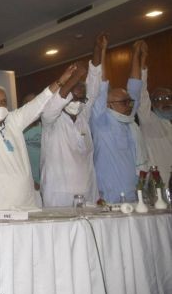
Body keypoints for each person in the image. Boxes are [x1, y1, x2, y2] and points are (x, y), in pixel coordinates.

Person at [0, 58, 77, 212]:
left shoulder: (13, 120)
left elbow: (39, 102)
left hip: (21, 205)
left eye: (4, 101)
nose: (0, 105)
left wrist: (61, 81)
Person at [40, 33, 106, 207]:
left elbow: (94, 85)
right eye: (73, 98)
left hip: (88, 192)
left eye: (81, 99)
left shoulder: (83, 114)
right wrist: (75, 77)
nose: (77, 102)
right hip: (57, 195)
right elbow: (56, 101)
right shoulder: (51, 120)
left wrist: (99, 50)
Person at [91, 40, 146, 203]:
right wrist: (103, 51)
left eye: (129, 102)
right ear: (108, 105)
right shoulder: (101, 121)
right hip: (110, 195)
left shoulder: (129, 120)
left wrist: (136, 55)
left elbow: (135, 86)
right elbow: (101, 86)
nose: (129, 105)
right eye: (124, 102)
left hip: (135, 192)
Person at [138, 43, 172, 176]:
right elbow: (141, 93)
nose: (166, 101)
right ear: (151, 104)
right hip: (160, 186)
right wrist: (142, 60)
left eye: (168, 97)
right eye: (158, 99)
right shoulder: (149, 120)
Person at [21, 94, 41, 190]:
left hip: (46, 182)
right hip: (29, 183)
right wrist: (31, 182)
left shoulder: (46, 127)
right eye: (30, 103)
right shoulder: (19, 130)